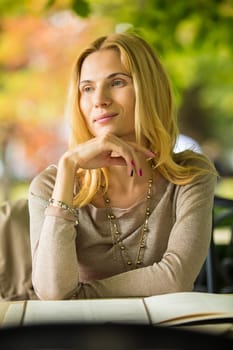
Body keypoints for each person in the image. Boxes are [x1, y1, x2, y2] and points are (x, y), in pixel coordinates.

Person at [28, 33, 217, 300]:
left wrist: (78, 295)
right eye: (88, 88)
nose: (99, 100)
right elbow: (52, 291)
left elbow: (176, 279)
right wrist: (68, 167)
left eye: (117, 82)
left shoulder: (191, 175)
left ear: (149, 90)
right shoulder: (51, 185)